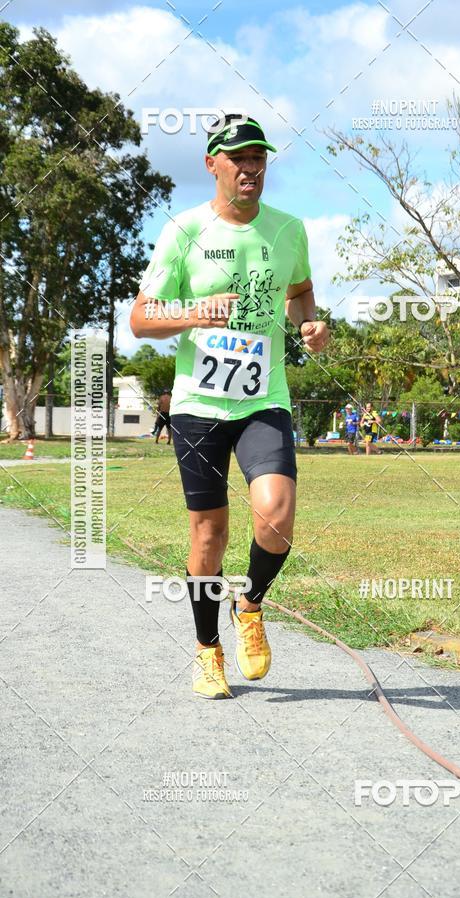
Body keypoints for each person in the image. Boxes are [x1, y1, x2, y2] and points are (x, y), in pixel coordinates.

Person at [130, 114, 330, 699]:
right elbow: (142, 319)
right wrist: (195, 313)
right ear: (212, 164)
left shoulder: (289, 229)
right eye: (238, 158)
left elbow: (298, 294)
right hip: (199, 403)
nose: (250, 168)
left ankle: (251, 604)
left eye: (258, 158)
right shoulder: (183, 232)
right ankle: (207, 650)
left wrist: (311, 326)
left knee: (276, 511)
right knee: (209, 533)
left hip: (263, 396)